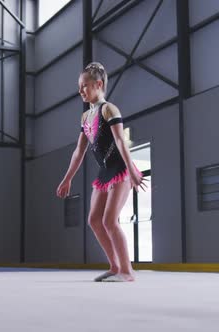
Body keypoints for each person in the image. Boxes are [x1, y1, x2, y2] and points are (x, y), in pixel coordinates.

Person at [56, 62, 147, 282]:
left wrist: (133, 171)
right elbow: (79, 151)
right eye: (79, 87)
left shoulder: (109, 109)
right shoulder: (85, 117)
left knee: (109, 221)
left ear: (98, 84)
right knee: (94, 220)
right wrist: (67, 178)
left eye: (84, 86)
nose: (80, 91)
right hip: (105, 171)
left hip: (121, 168)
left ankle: (127, 271)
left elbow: (120, 141)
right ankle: (115, 267)